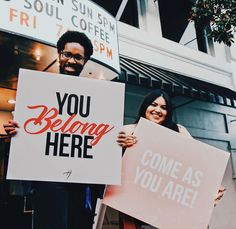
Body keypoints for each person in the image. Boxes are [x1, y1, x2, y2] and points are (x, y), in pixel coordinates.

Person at [3, 31, 104, 229]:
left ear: (85, 61)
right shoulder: (38, 90)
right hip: (47, 182)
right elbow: (29, 135)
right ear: (59, 55)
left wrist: (116, 139)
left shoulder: (96, 98)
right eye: (67, 54)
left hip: (81, 184)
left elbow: (102, 136)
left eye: (78, 57)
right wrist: (16, 131)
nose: (72, 61)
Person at [116, 89, 226, 229]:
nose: (157, 110)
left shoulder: (179, 131)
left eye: (164, 107)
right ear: (145, 107)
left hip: (174, 208)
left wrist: (211, 187)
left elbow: (198, 162)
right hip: (141, 209)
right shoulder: (128, 131)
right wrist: (119, 145)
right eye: (153, 104)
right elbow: (111, 165)